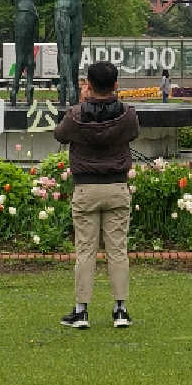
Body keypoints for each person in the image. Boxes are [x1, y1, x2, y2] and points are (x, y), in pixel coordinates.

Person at [54, 60, 139, 330]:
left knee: (86, 251)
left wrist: (81, 103)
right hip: (116, 187)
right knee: (117, 251)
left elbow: (59, 134)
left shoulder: (76, 116)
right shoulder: (127, 115)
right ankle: (120, 310)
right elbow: (134, 132)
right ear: (116, 85)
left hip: (86, 187)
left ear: (88, 85)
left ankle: (81, 311)